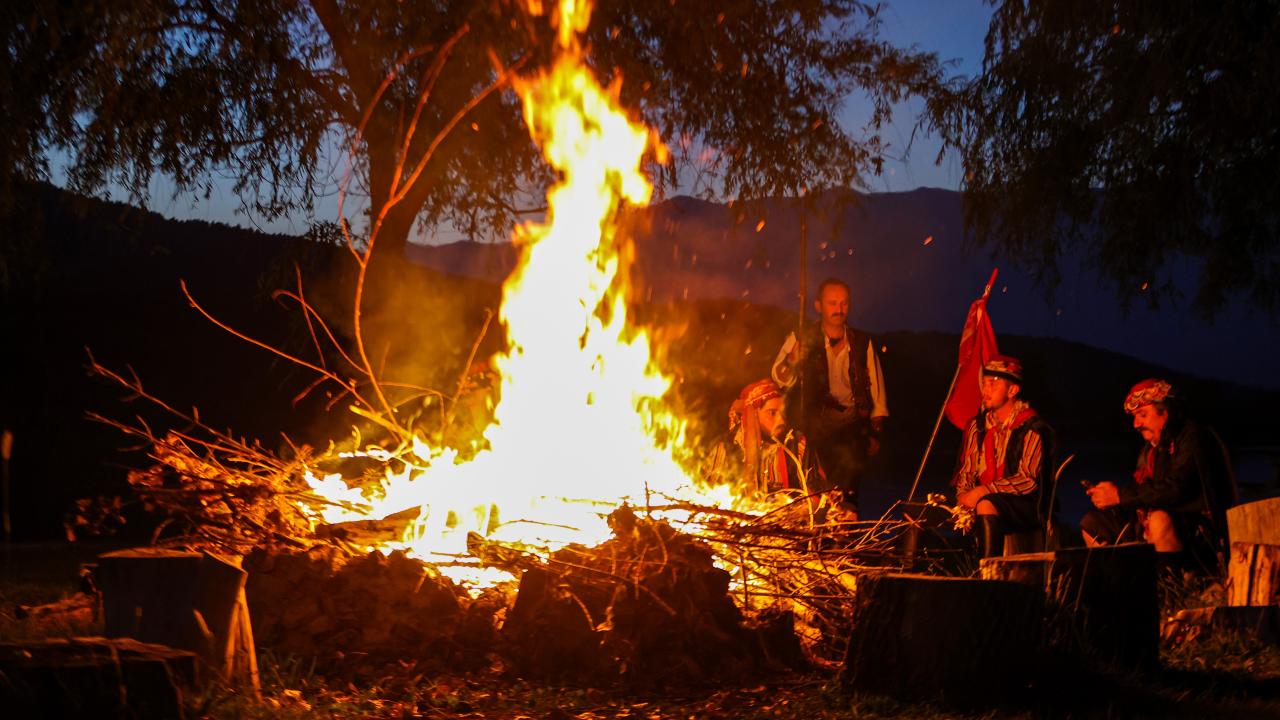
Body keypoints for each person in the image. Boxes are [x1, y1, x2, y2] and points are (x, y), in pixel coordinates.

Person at [1081, 379, 1236, 572]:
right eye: (1135, 417)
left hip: (1198, 528)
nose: (1136, 424)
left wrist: (1120, 495)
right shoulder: (1150, 450)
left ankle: (1170, 588)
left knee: (1159, 519)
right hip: (1152, 520)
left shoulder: (1193, 437)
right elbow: (1144, 491)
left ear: (1165, 413)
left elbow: (1177, 489)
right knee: (1092, 523)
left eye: (1143, 415)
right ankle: (1119, 582)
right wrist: (1111, 500)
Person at [771, 278, 887, 520]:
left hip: (851, 428)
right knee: (814, 491)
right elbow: (778, 377)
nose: (839, 308)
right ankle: (814, 542)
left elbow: (877, 389)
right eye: (832, 303)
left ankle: (844, 543)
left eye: (844, 303)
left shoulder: (862, 342)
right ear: (818, 305)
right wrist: (793, 360)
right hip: (813, 427)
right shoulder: (802, 336)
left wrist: (875, 430)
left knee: (848, 495)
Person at [951, 356, 1056, 558]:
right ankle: (909, 575)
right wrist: (963, 496)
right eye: (984, 383)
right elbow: (967, 469)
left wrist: (983, 492)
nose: (985, 390)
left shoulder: (1032, 428)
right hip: (981, 499)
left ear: (1012, 390)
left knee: (986, 504)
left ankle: (989, 576)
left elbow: (1028, 480)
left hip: (1026, 505)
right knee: (917, 511)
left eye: (993, 384)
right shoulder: (977, 426)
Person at [705, 379, 825, 500]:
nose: (781, 421)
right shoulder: (727, 447)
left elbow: (816, 496)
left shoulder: (796, 443)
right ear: (753, 415)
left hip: (786, 517)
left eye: (783, 414)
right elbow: (709, 495)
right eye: (772, 413)